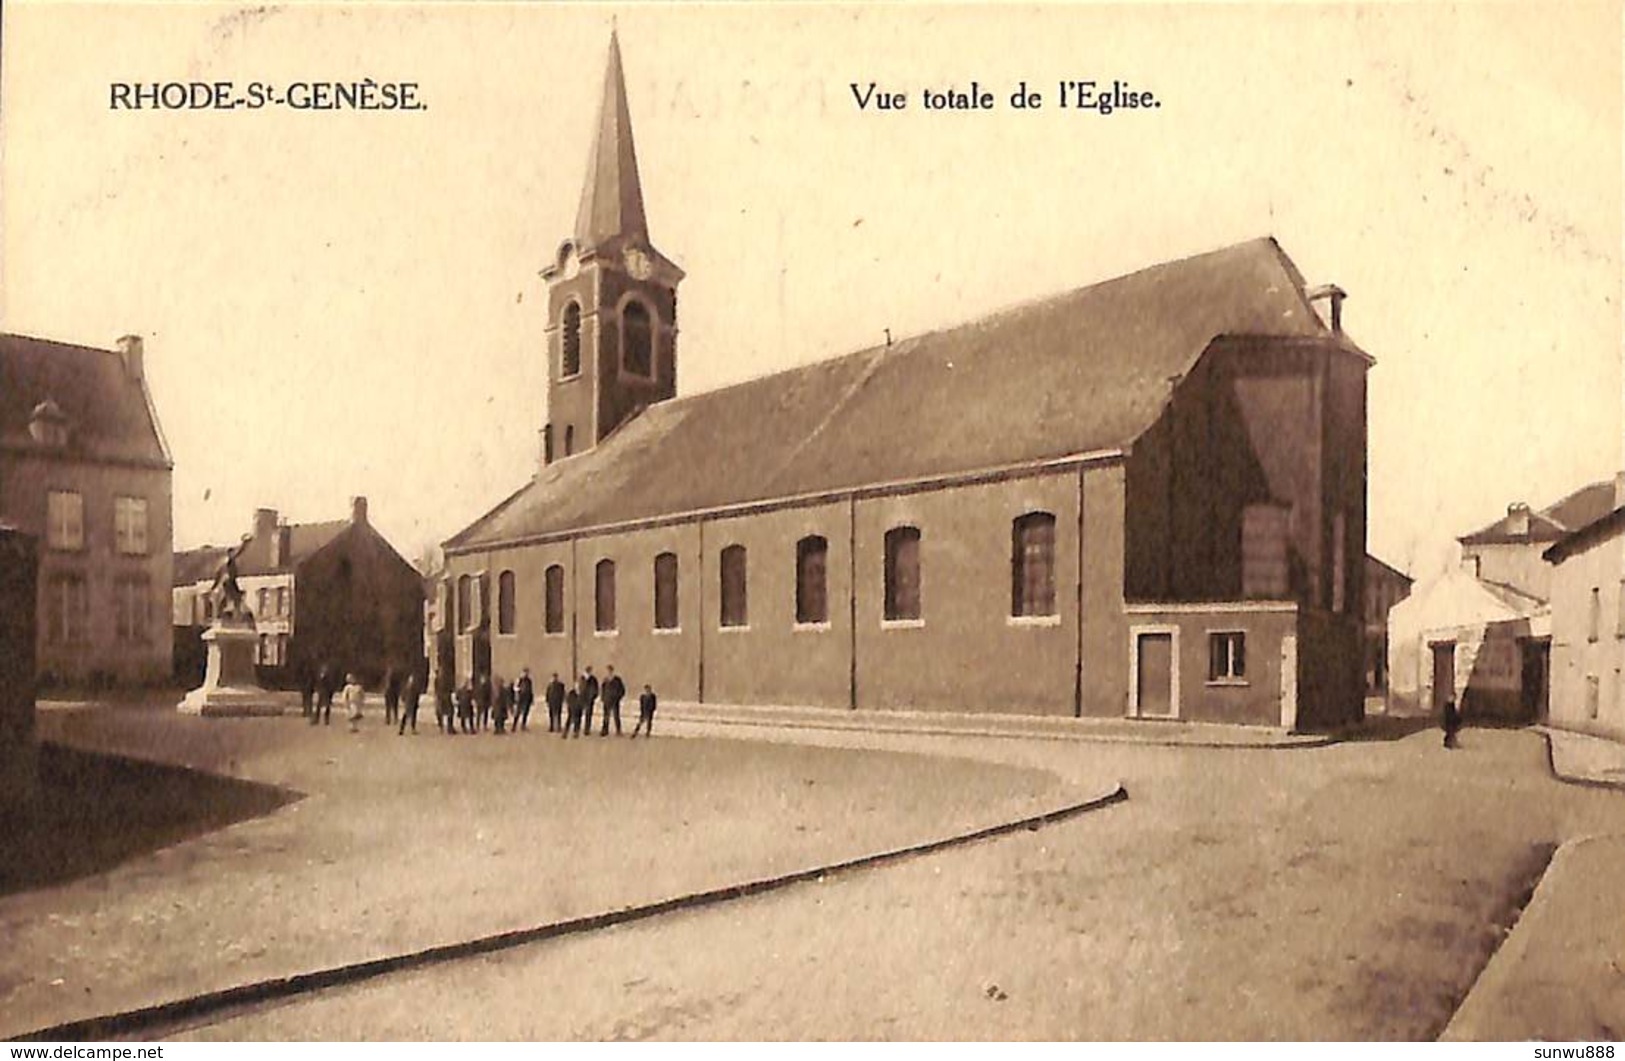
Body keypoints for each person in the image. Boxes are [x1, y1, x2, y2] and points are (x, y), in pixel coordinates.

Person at [600, 666, 625, 737]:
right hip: (607, 701)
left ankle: (618, 730)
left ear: (612, 671)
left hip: (615, 701)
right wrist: (603, 698)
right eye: (608, 671)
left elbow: (622, 690)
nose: (609, 672)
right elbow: (603, 689)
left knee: (616, 716)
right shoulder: (605, 680)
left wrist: (618, 697)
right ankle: (605, 730)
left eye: (610, 671)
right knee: (605, 716)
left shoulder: (617, 680)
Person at [579, 667, 599, 737]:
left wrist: (593, 697)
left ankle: (586, 729)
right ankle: (579, 728)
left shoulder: (593, 679)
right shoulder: (582, 678)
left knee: (588, 715)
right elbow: (580, 688)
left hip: (589, 700)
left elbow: (595, 689)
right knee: (580, 714)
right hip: (582, 699)